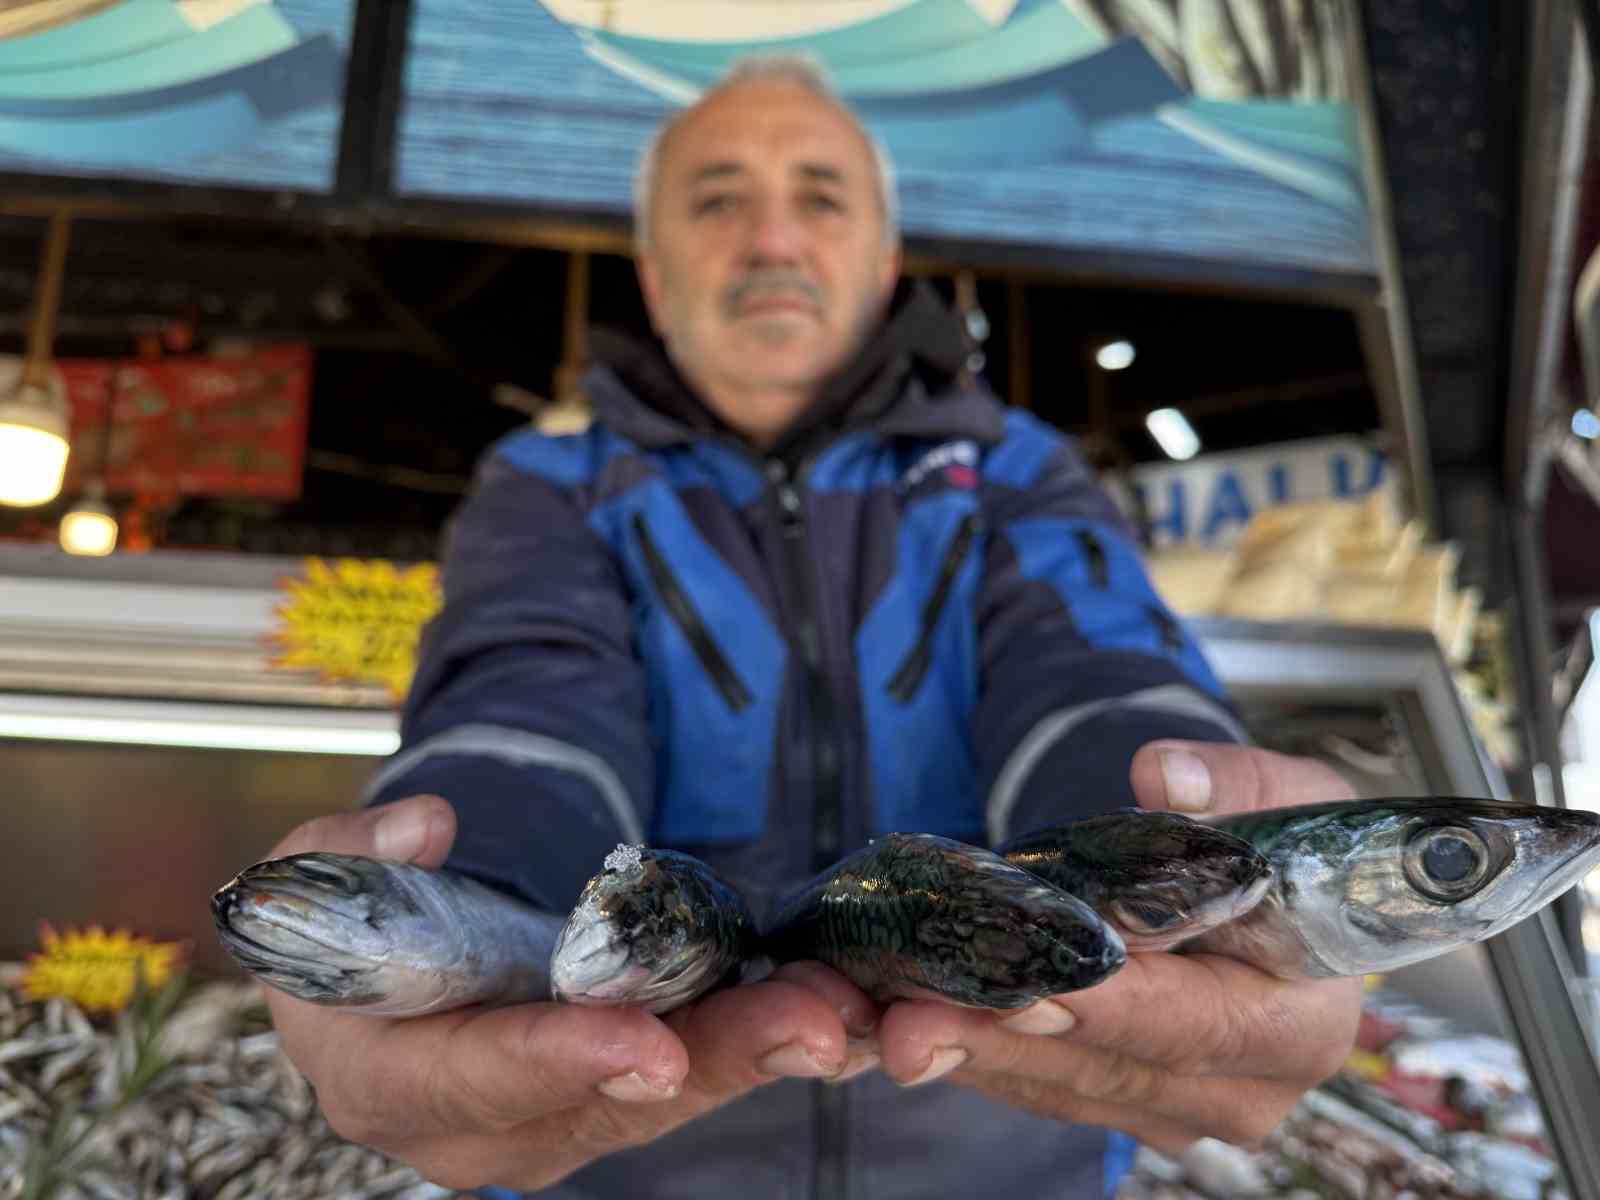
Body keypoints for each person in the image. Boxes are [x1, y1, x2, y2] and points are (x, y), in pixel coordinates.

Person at [262, 54, 1363, 1199]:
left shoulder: (1015, 470)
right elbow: (524, 703)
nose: (772, 240)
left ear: (885, 259)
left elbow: (1091, 670)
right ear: (650, 267)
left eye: (821, 198)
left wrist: (1183, 854)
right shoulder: (548, 481)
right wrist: (462, 908)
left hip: (1013, 1144)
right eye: (717, 199)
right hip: (622, 1149)